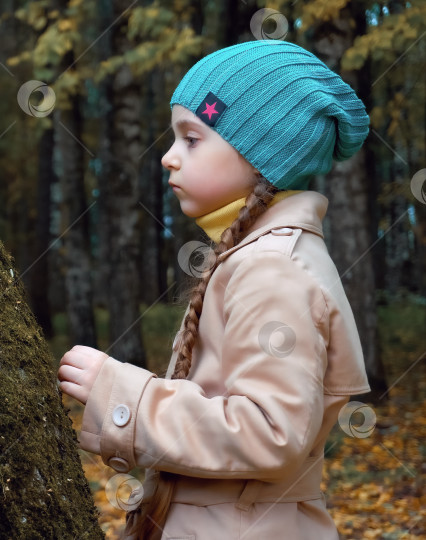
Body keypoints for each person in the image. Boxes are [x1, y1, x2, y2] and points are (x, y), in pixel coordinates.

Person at [57, 39, 372, 540]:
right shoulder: (255, 257)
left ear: (260, 152)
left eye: (192, 138)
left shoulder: (272, 270)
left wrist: (125, 399)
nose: (168, 158)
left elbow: (270, 432)